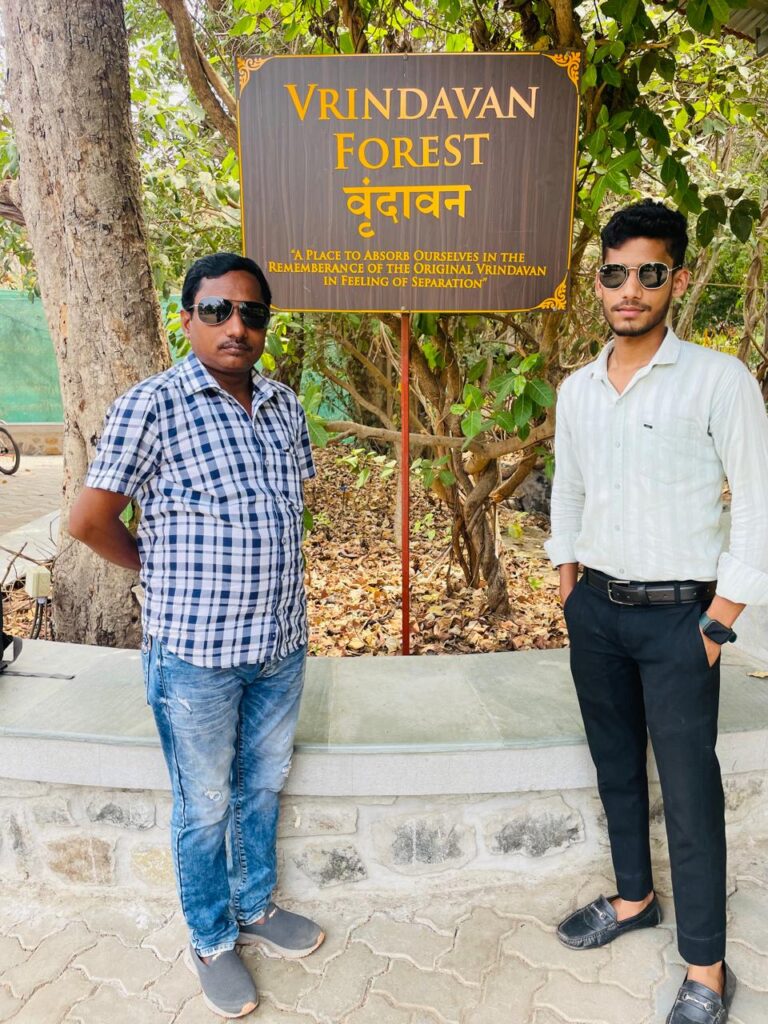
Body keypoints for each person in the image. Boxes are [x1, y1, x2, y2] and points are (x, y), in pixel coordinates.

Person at [70, 252, 324, 1018]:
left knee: (263, 784)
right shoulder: (153, 405)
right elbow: (89, 521)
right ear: (187, 319)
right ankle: (212, 938)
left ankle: (255, 906)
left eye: (250, 313)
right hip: (196, 656)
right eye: (217, 311)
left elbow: (287, 510)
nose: (235, 326)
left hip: (280, 643)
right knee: (205, 802)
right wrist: (156, 569)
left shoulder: (283, 405)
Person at [545, 199, 768, 1024]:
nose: (629, 289)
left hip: (683, 621)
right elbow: (568, 487)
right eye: (614, 273)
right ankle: (635, 899)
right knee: (613, 767)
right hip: (596, 610)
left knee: (688, 788)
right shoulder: (577, 389)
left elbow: (756, 502)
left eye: (648, 273)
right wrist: (567, 582)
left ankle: (706, 969)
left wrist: (722, 619)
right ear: (597, 280)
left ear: (675, 278)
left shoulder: (718, 379)